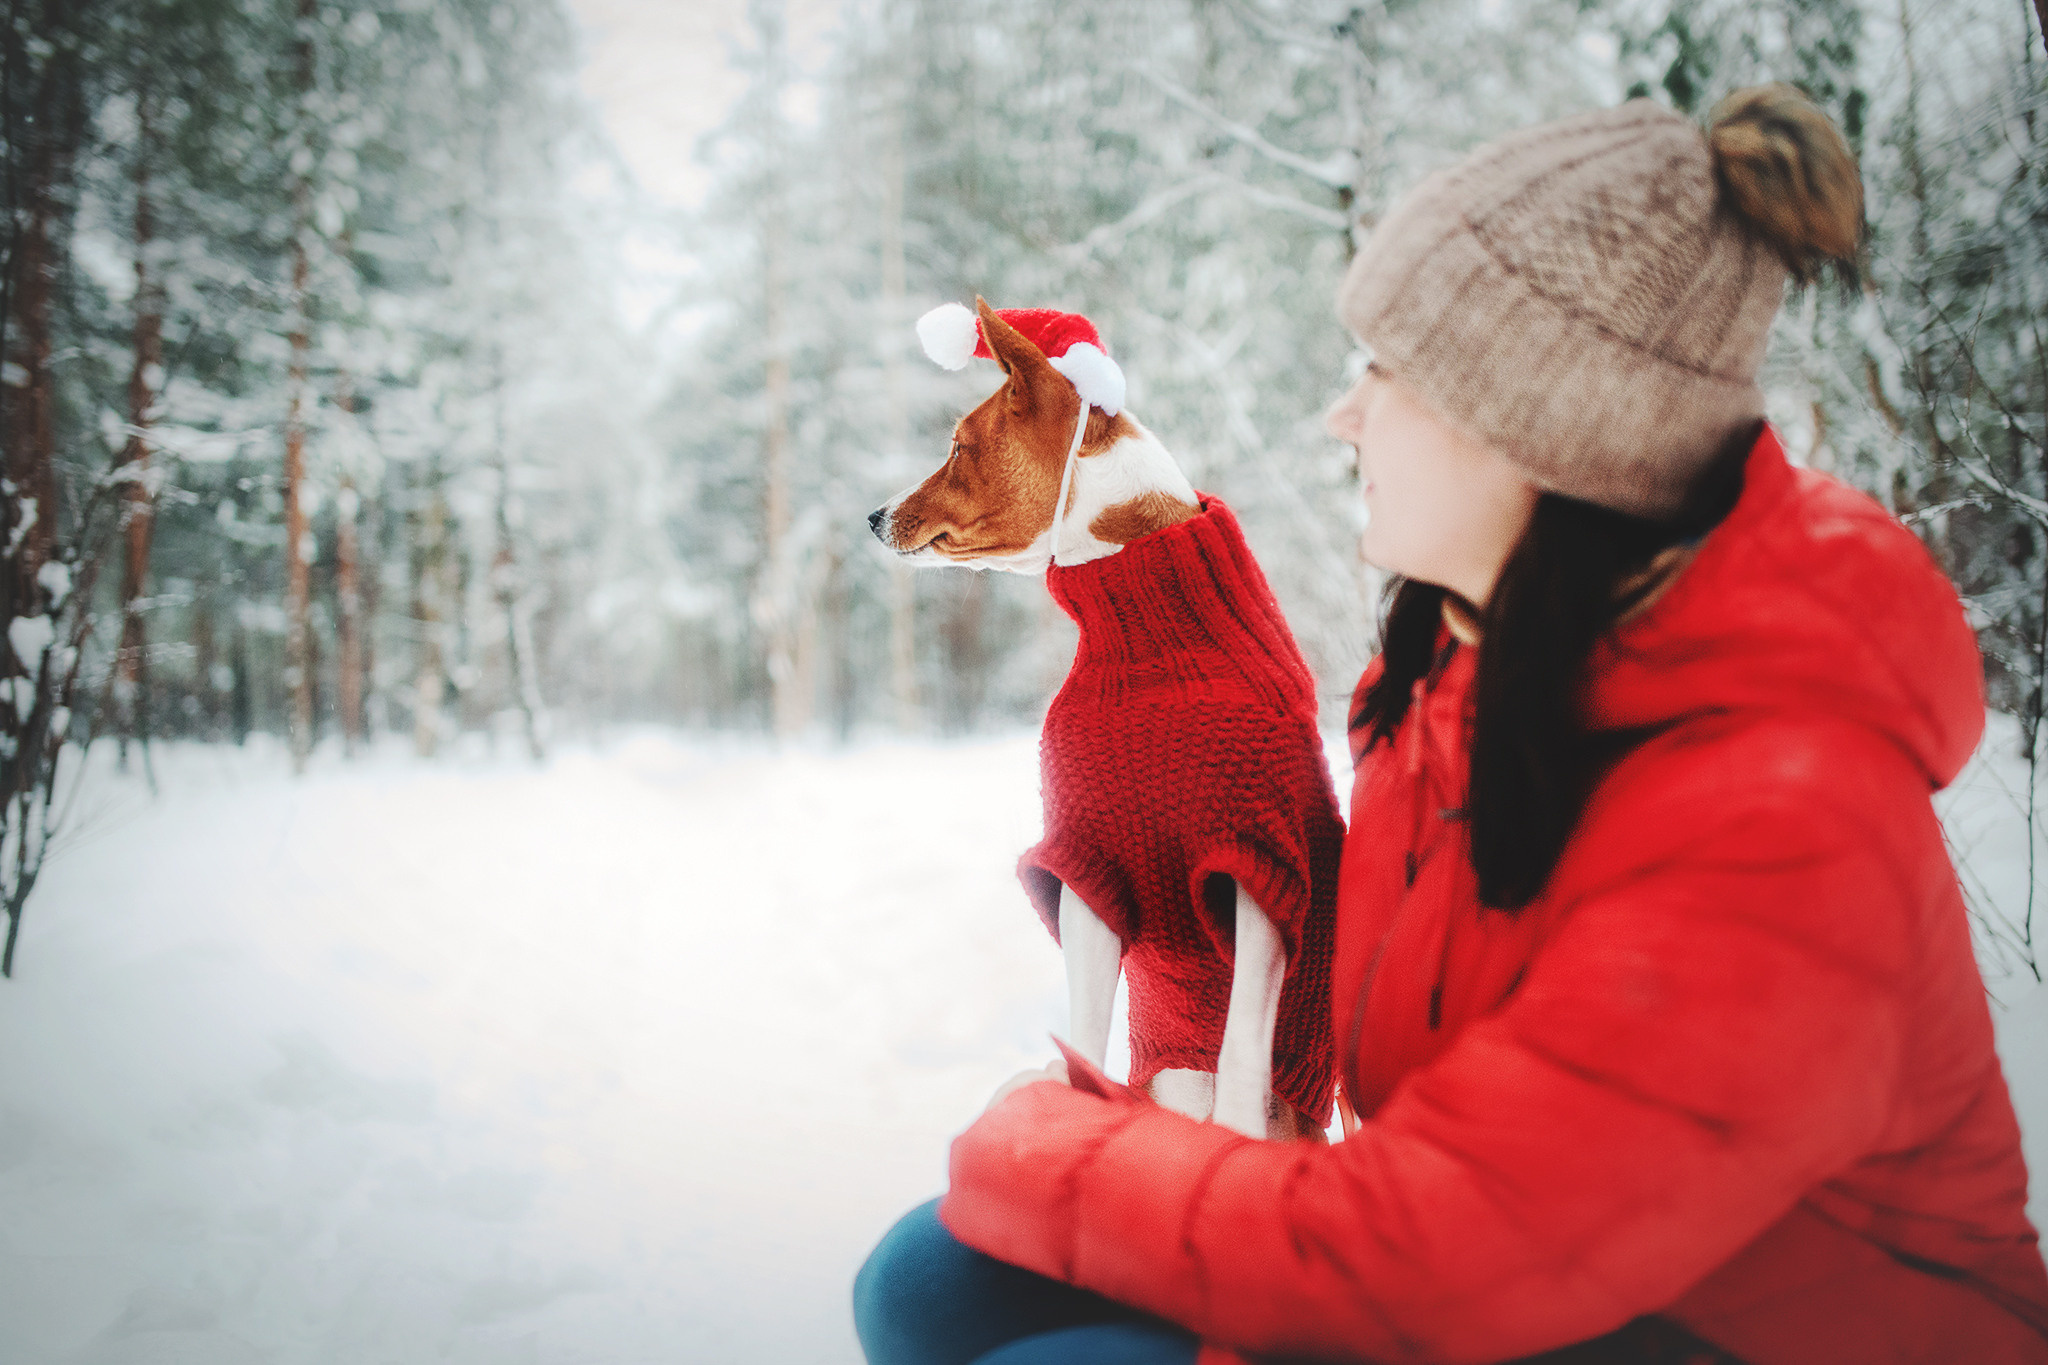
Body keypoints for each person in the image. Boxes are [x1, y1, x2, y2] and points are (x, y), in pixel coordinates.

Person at [853, 85, 2048, 1365]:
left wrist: (1063, 1150)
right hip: (1528, 1271)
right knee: (927, 1286)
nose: (1343, 416)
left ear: (1535, 427)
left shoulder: (1777, 810)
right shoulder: (1450, 679)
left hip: (1720, 1332)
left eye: (1388, 375)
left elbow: (1428, 1255)